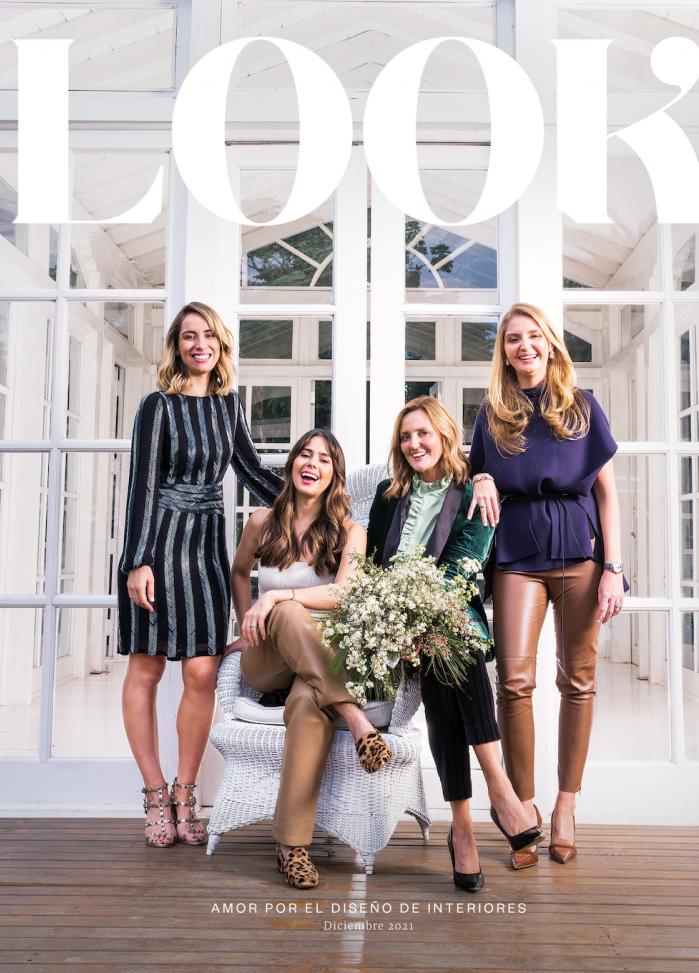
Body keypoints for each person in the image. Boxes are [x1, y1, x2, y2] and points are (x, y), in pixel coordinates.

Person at [119, 301, 282, 849]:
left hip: (207, 548)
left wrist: (313, 502)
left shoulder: (228, 406)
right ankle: (154, 793)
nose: (199, 344)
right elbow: (142, 485)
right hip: (158, 547)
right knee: (146, 669)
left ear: (221, 346)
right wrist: (137, 561)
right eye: (189, 336)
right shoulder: (157, 406)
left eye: (208, 335)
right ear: (177, 346)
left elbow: (252, 471)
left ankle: (185, 792)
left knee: (202, 673)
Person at [469, 302, 626, 869]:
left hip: (580, 551)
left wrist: (613, 568)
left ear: (550, 344)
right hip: (516, 551)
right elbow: (474, 471)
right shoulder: (492, 413)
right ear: (504, 351)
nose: (524, 346)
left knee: (578, 681)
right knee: (513, 682)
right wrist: (481, 476)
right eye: (513, 339)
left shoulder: (582, 406)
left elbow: (607, 493)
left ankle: (566, 805)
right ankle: (523, 807)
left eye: (533, 336)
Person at [366, 396, 543, 891]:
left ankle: (462, 826)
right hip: (390, 627)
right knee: (447, 650)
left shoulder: (475, 493)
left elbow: (464, 567)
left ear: (445, 436)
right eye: (406, 436)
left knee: (445, 649)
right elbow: (373, 566)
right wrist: (397, 622)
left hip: (447, 618)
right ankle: (500, 791)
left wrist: (421, 621)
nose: (414, 443)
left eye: (423, 433)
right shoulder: (386, 495)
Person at [225, 428, 392, 890]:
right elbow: (238, 571)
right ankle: (355, 717)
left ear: (334, 474)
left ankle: (291, 847)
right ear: (292, 463)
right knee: (286, 612)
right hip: (266, 661)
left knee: (306, 705)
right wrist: (247, 620)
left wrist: (276, 597)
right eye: (305, 454)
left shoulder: (350, 531)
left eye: (323, 459)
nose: (311, 463)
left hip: (318, 661)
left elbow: (344, 592)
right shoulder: (261, 523)